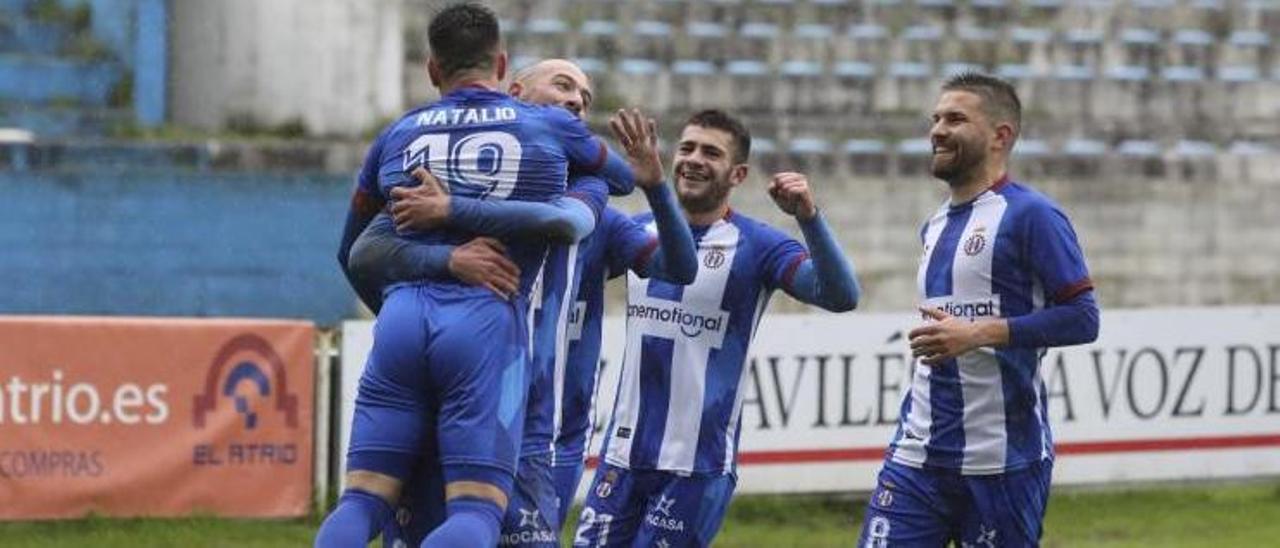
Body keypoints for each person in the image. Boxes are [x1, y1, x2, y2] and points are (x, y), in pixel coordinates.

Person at [316, 4, 637, 547]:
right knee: (476, 512)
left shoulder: (397, 135)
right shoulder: (549, 126)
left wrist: (413, 286)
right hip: (486, 325)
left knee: (363, 499)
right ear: (503, 64)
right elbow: (623, 177)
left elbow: (354, 251)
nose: (575, 101)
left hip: (402, 317)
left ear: (432, 69)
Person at [346, 59, 698, 547]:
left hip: (541, 432)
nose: (577, 100)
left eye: (586, 97)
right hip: (447, 408)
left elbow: (680, 270)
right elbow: (364, 255)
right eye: (563, 84)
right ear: (513, 90)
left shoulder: (593, 203)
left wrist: (657, 186)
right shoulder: (442, 178)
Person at [572, 109, 862, 547]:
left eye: (711, 152)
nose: (693, 159)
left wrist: (809, 217)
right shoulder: (636, 233)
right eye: (687, 148)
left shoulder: (760, 246)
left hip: (697, 466)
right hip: (621, 455)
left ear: (738, 173)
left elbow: (841, 295)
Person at [858, 73, 1100, 547]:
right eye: (935, 119)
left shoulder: (1032, 215)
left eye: (955, 118)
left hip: (1003, 462)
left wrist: (979, 334)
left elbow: (1083, 317)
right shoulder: (933, 226)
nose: (937, 130)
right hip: (917, 457)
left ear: (1000, 136)